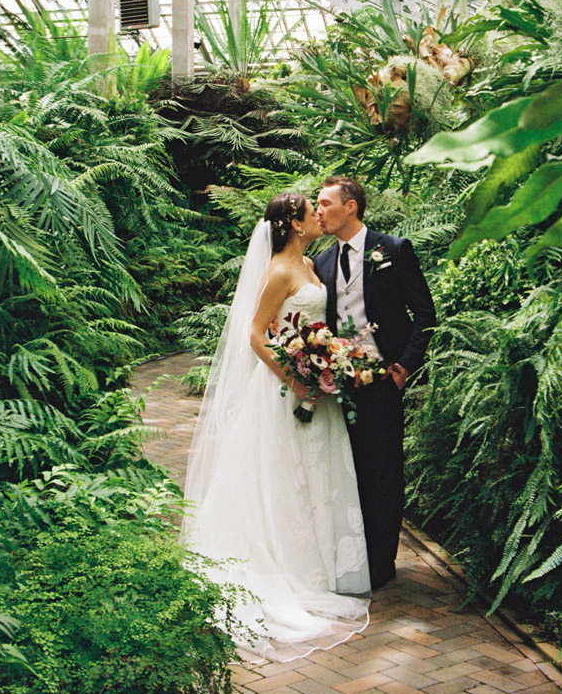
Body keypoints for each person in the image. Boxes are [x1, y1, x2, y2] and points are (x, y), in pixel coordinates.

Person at [181, 192, 370, 663]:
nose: (317, 214)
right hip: (285, 391)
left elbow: (316, 323)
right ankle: (287, 566)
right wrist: (294, 375)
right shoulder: (280, 271)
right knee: (283, 473)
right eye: (311, 210)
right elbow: (255, 331)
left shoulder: (311, 265)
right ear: (295, 222)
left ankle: (324, 567)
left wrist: (327, 362)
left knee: (320, 472)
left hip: (317, 388)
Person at [315, 176, 436, 590]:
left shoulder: (394, 250)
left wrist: (404, 366)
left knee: (383, 472)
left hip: (384, 381)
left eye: (326, 203)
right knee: (346, 472)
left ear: (350, 207)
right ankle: (351, 559)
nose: (319, 212)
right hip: (340, 385)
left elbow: (424, 312)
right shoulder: (323, 263)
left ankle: (381, 566)